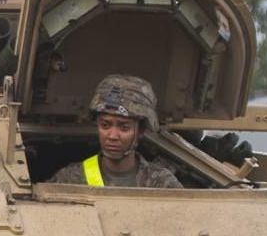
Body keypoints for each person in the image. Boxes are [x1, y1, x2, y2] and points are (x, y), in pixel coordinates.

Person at [50, 75, 182, 188]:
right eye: (105, 125)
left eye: (124, 127)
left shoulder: (160, 184)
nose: (112, 136)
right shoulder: (71, 179)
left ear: (140, 130)